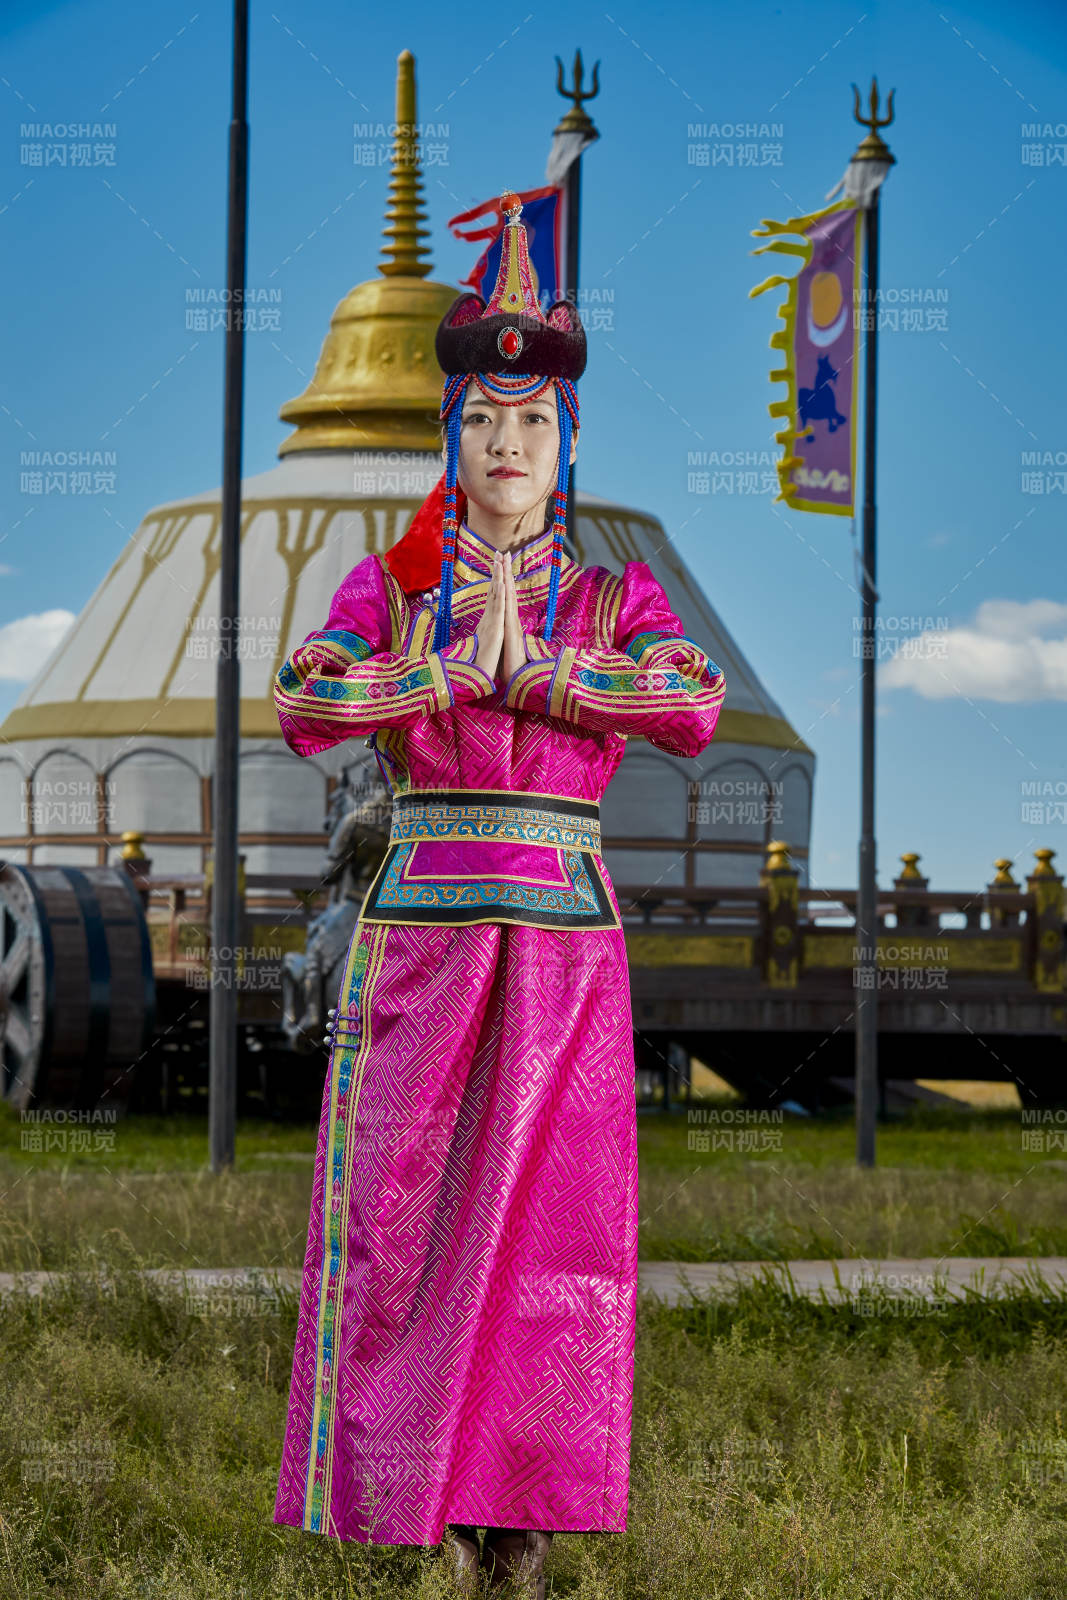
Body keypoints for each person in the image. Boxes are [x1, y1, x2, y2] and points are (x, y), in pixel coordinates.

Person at [272, 191, 726, 1597]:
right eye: (484, 423)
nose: (509, 446)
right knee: (404, 1223)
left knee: (551, 1240)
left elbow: (694, 705)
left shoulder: (613, 599)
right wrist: (435, 674)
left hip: (564, 949)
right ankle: (406, 1506)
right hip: (421, 940)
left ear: (564, 443)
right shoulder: (393, 585)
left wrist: (544, 679)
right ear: (452, 440)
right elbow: (302, 700)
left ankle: (515, 1528)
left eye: (534, 425)